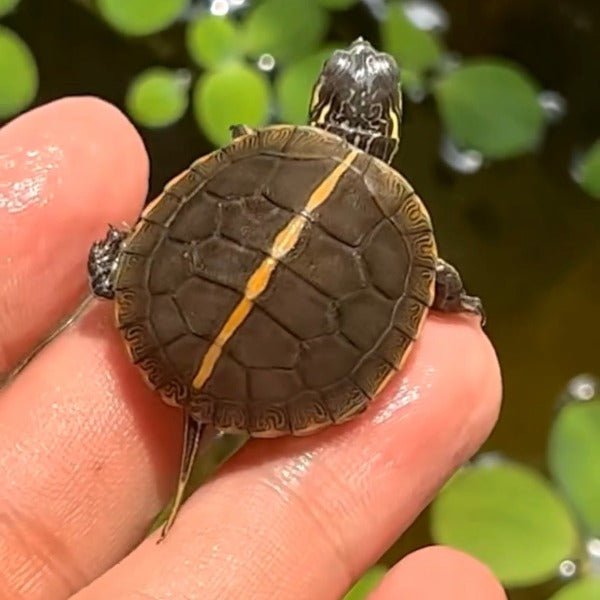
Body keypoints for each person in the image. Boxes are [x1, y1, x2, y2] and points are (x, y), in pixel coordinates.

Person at [0, 97, 505, 599]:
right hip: (277, 380)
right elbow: (428, 282)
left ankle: (118, 274)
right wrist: (454, 296)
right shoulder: (401, 230)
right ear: (391, 126)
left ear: (320, 105)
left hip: (167, 314)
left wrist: (135, 274)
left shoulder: (265, 151)